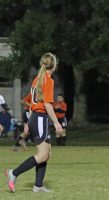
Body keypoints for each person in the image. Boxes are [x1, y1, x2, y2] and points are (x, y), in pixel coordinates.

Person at [6, 52, 63, 193]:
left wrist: (28, 122)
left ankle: (38, 186)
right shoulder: (48, 80)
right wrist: (56, 123)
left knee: (46, 154)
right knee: (42, 155)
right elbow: (48, 105)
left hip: (35, 117)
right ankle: (14, 173)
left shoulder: (37, 79)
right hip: (40, 118)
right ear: (54, 65)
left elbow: (32, 103)